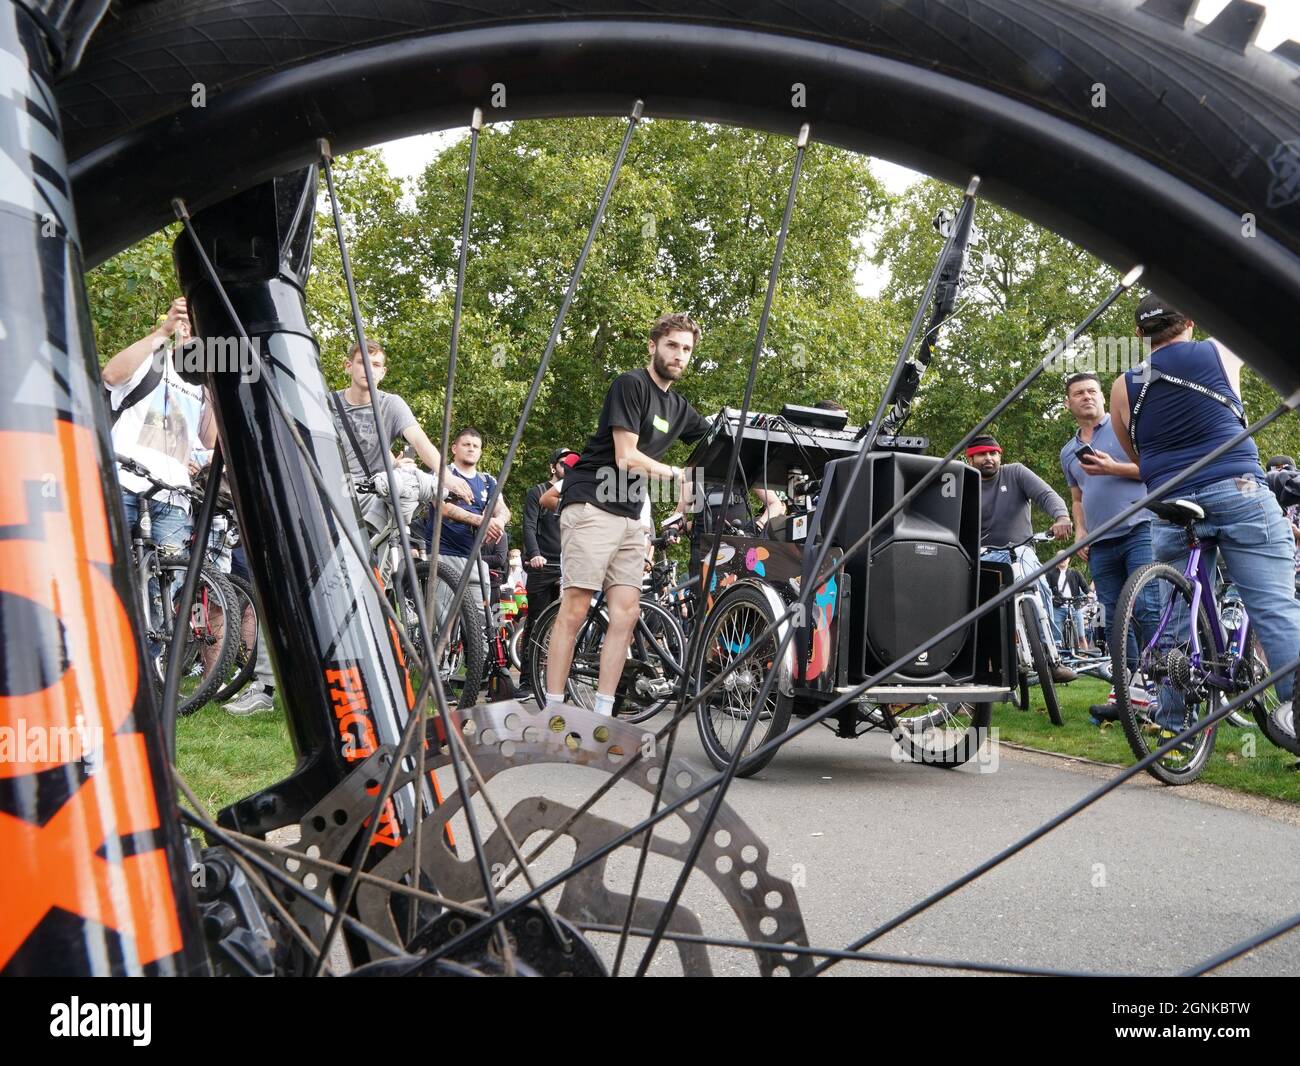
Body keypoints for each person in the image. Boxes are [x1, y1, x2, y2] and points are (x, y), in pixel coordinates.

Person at [1110, 294, 1300, 742]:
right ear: (1191, 319)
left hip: (1169, 499)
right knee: (1273, 604)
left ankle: (1175, 725)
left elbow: (1136, 453)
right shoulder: (1221, 350)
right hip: (1236, 488)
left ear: (1139, 334)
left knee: (1177, 617)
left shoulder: (1123, 385)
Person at [544, 312, 713, 715]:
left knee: (627, 613)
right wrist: (679, 475)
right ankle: (552, 713)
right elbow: (625, 457)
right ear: (653, 346)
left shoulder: (680, 407)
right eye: (672, 345)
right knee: (578, 604)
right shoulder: (631, 384)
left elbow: (719, 446)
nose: (679, 355)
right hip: (592, 502)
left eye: (686, 349)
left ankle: (603, 714)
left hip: (631, 511)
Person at [103, 297, 218, 660]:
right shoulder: (151, 360)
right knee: (108, 573)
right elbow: (110, 375)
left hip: (172, 497)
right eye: (189, 329)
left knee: (164, 586)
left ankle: (145, 669)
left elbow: (207, 442)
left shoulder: (200, 385)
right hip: (125, 481)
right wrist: (165, 330)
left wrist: (215, 385)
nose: (192, 337)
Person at [1059, 370, 1161, 720]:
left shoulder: (1124, 429)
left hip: (1140, 528)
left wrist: (1112, 467)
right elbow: (1076, 496)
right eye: (1079, 393)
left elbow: (1154, 468)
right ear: (1068, 403)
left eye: (1092, 391)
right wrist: (1080, 532)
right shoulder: (1069, 451)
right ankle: (1128, 695)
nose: (1086, 396)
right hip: (1101, 542)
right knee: (1115, 618)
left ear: (1103, 396)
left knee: (1147, 608)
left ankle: (1166, 693)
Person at [967, 433, 1077, 684]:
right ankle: (992, 663)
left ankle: (1052, 656)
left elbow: (1047, 495)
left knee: (1039, 588)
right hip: (983, 554)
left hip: (1021, 548)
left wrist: (1061, 517)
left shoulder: (1015, 472)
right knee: (979, 606)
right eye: (982, 454)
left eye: (993, 453)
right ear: (970, 458)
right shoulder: (964, 482)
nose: (989, 459)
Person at [518, 449, 578, 700]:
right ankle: (527, 681)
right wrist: (534, 554)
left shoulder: (576, 492)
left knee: (566, 624)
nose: (568, 468)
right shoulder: (538, 492)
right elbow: (529, 525)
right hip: (543, 565)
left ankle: (559, 681)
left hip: (567, 565)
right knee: (536, 621)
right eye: (564, 464)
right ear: (553, 467)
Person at [1049, 558, 1090, 653]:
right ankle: (1058, 659)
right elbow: (1046, 589)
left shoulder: (1075, 573)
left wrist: (1089, 594)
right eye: (1060, 557)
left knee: (1081, 635)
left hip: (1074, 606)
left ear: (1069, 559)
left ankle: (1086, 659)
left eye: (1065, 557)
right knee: (1056, 638)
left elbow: (1085, 587)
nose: (1062, 559)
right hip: (1058, 607)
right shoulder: (1050, 574)